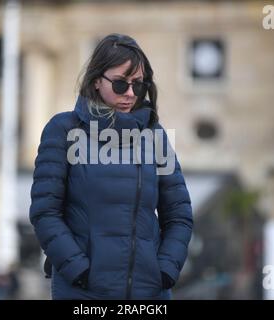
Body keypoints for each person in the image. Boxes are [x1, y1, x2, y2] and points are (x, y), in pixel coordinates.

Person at [29, 33, 193, 300]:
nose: (130, 93)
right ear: (96, 81)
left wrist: (165, 270)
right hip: (83, 294)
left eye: (138, 85)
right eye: (119, 84)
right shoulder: (63, 130)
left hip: (149, 294)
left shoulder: (155, 136)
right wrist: (78, 270)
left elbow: (179, 215)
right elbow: (45, 211)